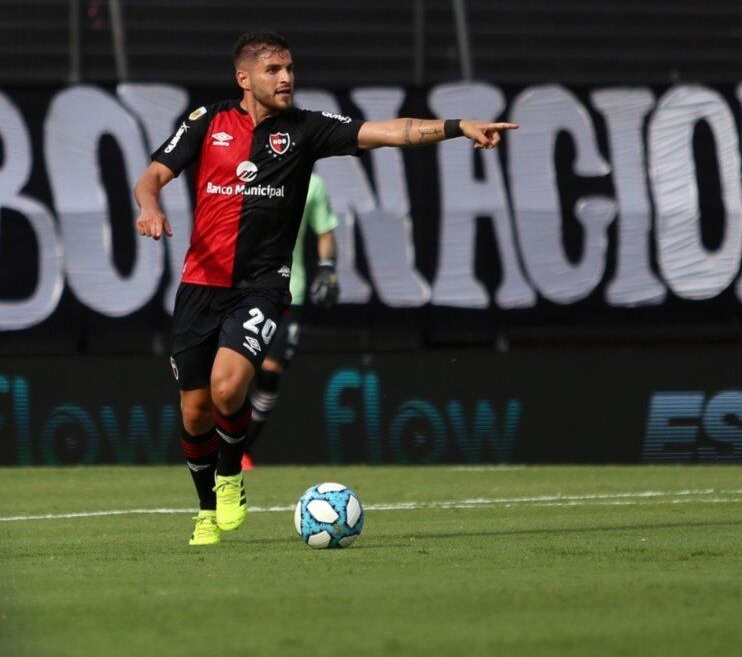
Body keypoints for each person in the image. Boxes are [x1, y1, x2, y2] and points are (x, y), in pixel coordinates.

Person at [133, 30, 517, 545]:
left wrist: (458, 126)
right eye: (273, 70)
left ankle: (230, 479)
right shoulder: (208, 123)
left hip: (261, 285)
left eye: (290, 68)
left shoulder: (306, 130)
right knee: (196, 409)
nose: (287, 77)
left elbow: (391, 131)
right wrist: (150, 206)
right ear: (243, 78)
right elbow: (152, 175)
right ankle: (206, 509)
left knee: (228, 386)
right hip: (200, 283)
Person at [242, 172, 339, 470]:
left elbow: (324, 230)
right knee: (231, 376)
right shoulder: (244, 172)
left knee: (270, 371)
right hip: (237, 288)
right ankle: (223, 444)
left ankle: (242, 450)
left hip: (287, 291)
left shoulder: (312, 183)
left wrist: (326, 267)